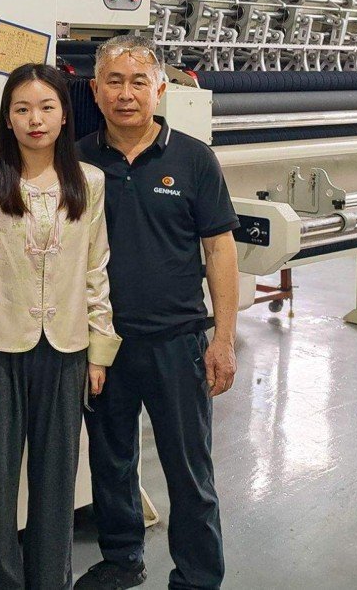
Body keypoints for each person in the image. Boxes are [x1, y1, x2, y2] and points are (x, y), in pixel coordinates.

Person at [0, 63, 121, 590]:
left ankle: (50, 581)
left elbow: (96, 266)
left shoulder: (89, 182)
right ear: (8, 118)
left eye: (46, 107)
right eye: (22, 109)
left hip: (66, 348)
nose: (35, 119)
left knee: (56, 479)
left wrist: (99, 351)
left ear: (65, 116)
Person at [74, 35, 240, 590]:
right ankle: (122, 559)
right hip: (103, 343)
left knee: (189, 470)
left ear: (160, 90)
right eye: (114, 82)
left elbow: (219, 249)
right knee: (110, 460)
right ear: (95, 91)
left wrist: (223, 339)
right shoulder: (77, 160)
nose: (126, 94)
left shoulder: (193, 159)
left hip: (178, 341)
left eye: (138, 82)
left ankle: (198, 575)